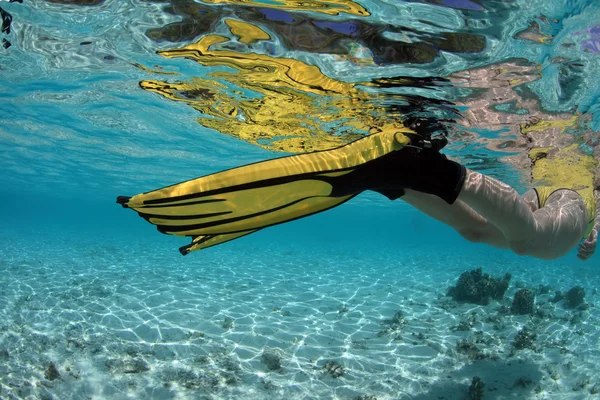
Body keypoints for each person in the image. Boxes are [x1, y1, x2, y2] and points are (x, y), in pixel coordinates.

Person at [117, 120, 599, 259]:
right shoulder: (586, 163)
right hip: (571, 198)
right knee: (536, 242)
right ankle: (431, 173)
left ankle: (394, 177)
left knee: (475, 235)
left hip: (562, 199)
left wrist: (591, 238)